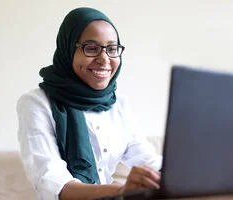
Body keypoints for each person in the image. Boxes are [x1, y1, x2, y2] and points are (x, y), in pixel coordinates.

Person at [17, 7, 162, 200]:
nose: (104, 59)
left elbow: (149, 161)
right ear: (68, 50)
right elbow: (51, 182)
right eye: (91, 48)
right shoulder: (36, 103)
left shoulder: (119, 105)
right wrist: (120, 191)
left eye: (112, 49)